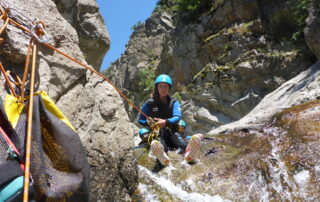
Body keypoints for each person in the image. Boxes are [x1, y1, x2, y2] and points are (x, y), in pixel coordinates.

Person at [138, 74, 203, 166]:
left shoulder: (174, 102)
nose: (163, 89)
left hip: (172, 130)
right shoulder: (149, 104)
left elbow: (177, 117)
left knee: (182, 144)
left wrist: (165, 122)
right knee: (162, 147)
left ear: (169, 88)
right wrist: (149, 123)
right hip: (157, 133)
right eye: (161, 86)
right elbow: (140, 120)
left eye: (165, 86)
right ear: (157, 88)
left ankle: (189, 153)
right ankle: (162, 156)